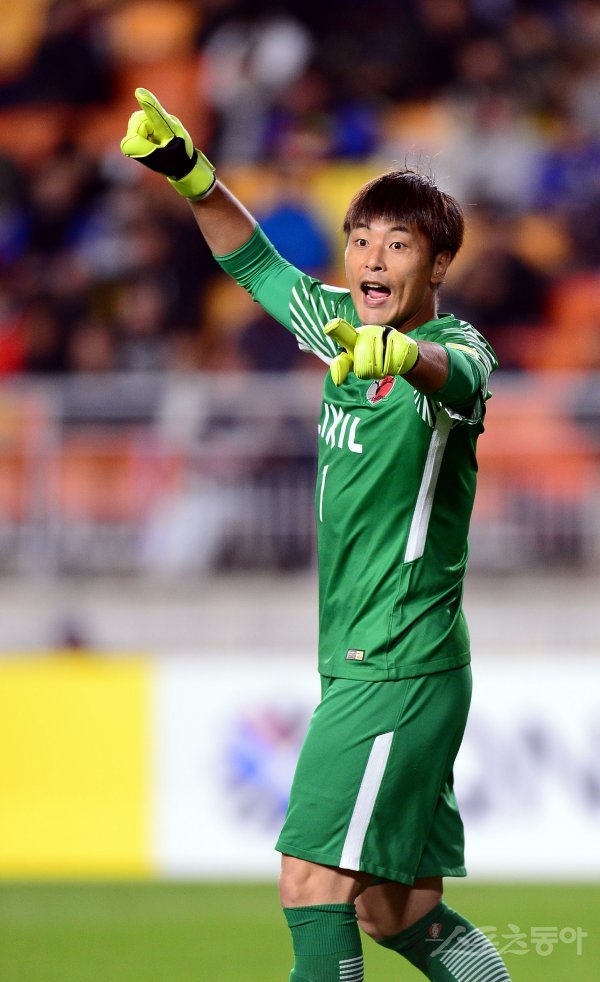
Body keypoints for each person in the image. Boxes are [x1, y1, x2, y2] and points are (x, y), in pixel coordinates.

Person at [121, 89, 510, 982]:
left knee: (310, 884)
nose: (372, 258)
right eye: (361, 240)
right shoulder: (340, 329)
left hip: (398, 663)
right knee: (397, 909)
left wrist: (405, 356)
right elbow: (256, 264)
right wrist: (191, 175)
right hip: (364, 659)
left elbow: (460, 379)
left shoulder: (453, 348)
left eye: (398, 244)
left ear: (440, 263)